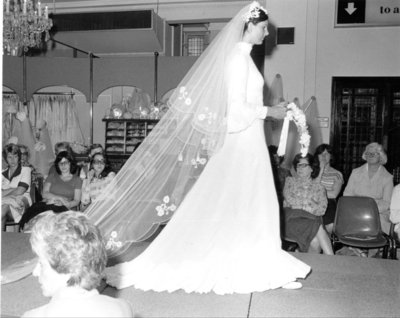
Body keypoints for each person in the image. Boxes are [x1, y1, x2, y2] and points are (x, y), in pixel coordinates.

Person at [90, 2, 311, 294]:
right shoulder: (236, 60)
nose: (266, 32)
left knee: (253, 203)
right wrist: (268, 112)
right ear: (248, 26)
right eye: (262, 27)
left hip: (251, 141)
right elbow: (233, 112)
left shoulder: (245, 59)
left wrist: (272, 109)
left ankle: (262, 266)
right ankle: (259, 267)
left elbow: (248, 104)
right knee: (250, 201)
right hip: (242, 141)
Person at [21, 211, 133, 317]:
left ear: (69, 268)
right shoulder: (123, 308)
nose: (35, 272)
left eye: (41, 264)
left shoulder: (34, 315)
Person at [283, 153, 333, 255]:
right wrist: (310, 203)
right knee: (317, 225)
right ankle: (332, 259)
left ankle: (306, 259)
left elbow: (321, 210)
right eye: (298, 165)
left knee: (315, 241)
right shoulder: (290, 181)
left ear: (312, 168)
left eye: (304, 165)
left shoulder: (319, 188)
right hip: (292, 219)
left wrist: (299, 205)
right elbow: (290, 199)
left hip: (311, 219)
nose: (300, 168)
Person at [19, 151, 82, 230]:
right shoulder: (52, 177)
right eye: (60, 163)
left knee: (47, 223)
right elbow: (44, 194)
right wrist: (60, 198)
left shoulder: (77, 180)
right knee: (31, 221)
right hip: (46, 204)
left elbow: (76, 201)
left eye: (65, 162)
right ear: (57, 165)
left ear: (70, 163)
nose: (63, 166)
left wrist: (65, 204)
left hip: (62, 207)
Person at [343, 142, 393, 235]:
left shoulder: (388, 177)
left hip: (378, 213)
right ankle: (353, 247)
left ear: (381, 156)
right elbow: (347, 195)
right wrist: (358, 209)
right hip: (356, 210)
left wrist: (369, 209)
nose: (370, 155)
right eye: (368, 153)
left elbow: (387, 203)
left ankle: (374, 248)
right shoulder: (355, 172)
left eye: (374, 153)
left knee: (376, 224)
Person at [314, 143, 343, 233]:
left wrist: (318, 192)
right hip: (312, 201)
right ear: (317, 156)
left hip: (329, 203)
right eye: (321, 154)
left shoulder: (337, 174)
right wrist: (321, 170)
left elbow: (334, 194)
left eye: (326, 154)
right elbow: (311, 188)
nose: (323, 156)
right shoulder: (312, 172)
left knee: (330, 225)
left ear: (331, 156)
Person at [2, 144, 32, 231]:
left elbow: (20, 190)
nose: (12, 160)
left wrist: (4, 192)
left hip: (22, 202)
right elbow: (17, 189)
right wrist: (13, 189)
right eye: (9, 157)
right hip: (5, 202)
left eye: (15, 156)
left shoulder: (26, 170)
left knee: (3, 208)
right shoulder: (2, 173)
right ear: (5, 158)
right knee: (3, 209)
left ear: (19, 157)